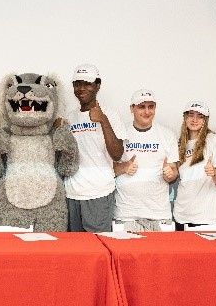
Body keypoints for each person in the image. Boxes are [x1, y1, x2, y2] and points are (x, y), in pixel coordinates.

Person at [64, 64, 126, 233]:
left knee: (98, 248)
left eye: (87, 83)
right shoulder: (69, 117)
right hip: (72, 194)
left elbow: (117, 154)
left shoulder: (111, 115)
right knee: (76, 252)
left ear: (98, 85)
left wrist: (103, 120)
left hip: (98, 193)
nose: (81, 88)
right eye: (77, 84)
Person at [113, 89, 179, 232]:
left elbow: (173, 173)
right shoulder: (120, 133)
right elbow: (108, 169)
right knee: (125, 255)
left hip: (159, 215)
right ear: (132, 109)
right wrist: (124, 167)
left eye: (151, 107)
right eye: (141, 107)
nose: (147, 112)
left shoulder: (168, 135)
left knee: (161, 255)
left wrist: (170, 173)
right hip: (126, 215)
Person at [172, 101, 216, 228]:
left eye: (200, 116)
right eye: (191, 115)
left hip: (205, 215)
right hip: (181, 214)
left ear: (205, 120)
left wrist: (213, 172)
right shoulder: (180, 144)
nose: (195, 119)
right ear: (185, 118)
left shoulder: (214, 140)